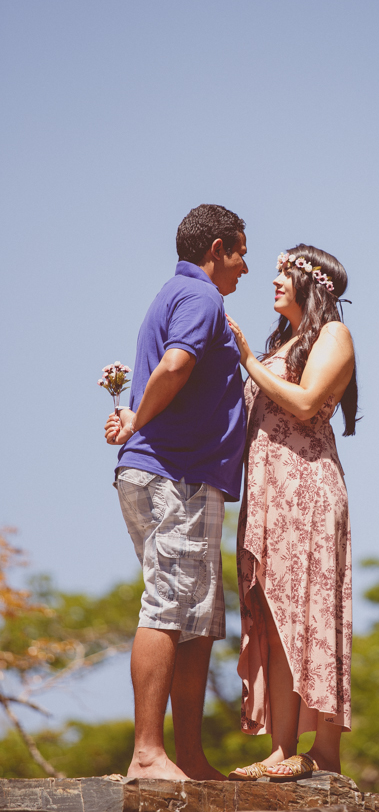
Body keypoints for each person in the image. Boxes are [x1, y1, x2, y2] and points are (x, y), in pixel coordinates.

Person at [104, 203, 248, 781]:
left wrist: (134, 418)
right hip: (174, 474)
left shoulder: (177, 293)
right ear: (216, 250)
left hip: (180, 475)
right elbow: (175, 364)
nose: (245, 266)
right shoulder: (201, 297)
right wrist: (137, 419)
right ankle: (147, 754)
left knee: (198, 614)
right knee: (170, 603)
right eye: (240, 252)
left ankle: (187, 755)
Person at [225, 245, 358, 780]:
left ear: (313, 283)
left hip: (309, 490)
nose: (274, 280)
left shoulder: (334, 335)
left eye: (285, 272)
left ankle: (324, 752)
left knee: (315, 612)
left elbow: (304, 404)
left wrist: (248, 361)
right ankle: (282, 748)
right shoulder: (281, 345)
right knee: (276, 614)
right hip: (268, 495)